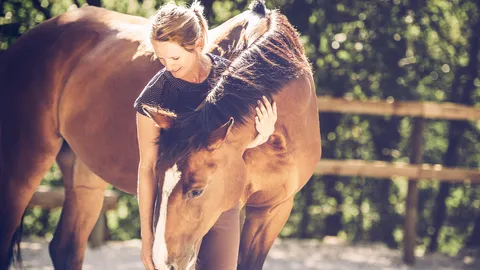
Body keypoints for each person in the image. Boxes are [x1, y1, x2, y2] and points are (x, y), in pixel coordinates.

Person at [133, 1, 277, 269]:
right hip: (176, 207)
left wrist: (262, 135)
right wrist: (147, 235)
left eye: (174, 58)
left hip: (221, 202)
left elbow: (231, 147)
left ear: (198, 44)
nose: (168, 67)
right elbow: (147, 167)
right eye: (161, 58)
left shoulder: (230, 80)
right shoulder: (154, 97)